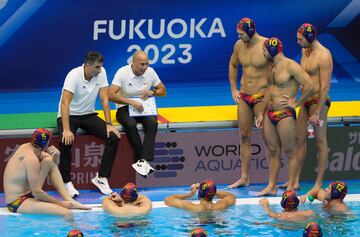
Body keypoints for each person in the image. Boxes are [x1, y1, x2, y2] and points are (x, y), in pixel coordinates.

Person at [57, 51, 121, 197]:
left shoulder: (101, 73)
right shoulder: (73, 75)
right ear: (87, 65)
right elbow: (65, 102)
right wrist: (66, 129)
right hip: (69, 114)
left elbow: (104, 98)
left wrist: (109, 123)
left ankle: (102, 177)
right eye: (97, 68)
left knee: (113, 137)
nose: (100, 70)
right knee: (66, 141)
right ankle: (66, 182)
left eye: (100, 67)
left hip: (88, 114)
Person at [255, 37, 313, 196]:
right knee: (273, 150)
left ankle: (290, 188)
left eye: (264, 50)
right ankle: (271, 186)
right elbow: (269, 90)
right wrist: (261, 112)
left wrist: (298, 103)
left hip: (285, 114)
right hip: (269, 113)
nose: (263, 53)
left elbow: (309, 85)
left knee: (290, 151)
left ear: (272, 50)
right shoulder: (271, 67)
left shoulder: (291, 66)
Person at [280, 23, 333, 193]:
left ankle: (318, 182)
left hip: (319, 103)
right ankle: (294, 181)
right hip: (305, 101)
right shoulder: (305, 51)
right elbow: (302, 77)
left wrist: (317, 112)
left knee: (320, 141)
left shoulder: (324, 56)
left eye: (300, 39)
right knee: (299, 139)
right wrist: (297, 97)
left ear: (310, 38)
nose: (298, 42)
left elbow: (324, 87)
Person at [3, 128, 90, 218]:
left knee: (48, 161)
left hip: (27, 193)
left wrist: (57, 155)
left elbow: (54, 163)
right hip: (18, 202)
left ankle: (70, 200)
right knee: (66, 213)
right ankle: (74, 230)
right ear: (46, 143)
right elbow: (37, 193)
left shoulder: (26, 146)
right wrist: (60, 203)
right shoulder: (32, 159)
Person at [227, 17, 272, 188]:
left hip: (262, 97)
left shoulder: (267, 45)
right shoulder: (239, 46)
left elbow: (277, 73)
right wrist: (233, 89)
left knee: (268, 138)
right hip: (244, 96)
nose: (239, 37)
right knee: (244, 137)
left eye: (242, 34)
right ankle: (244, 177)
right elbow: (233, 65)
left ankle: (272, 180)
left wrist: (268, 99)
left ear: (251, 32)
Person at [109, 50, 166, 177]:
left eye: (147, 64)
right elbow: (110, 94)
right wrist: (128, 101)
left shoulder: (150, 72)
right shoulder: (122, 72)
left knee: (152, 122)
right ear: (133, 63)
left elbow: (163, 90)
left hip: (144, 107)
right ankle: (141, 160)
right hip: (124, 107)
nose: (145, 67)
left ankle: (143, 160)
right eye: (142, 64)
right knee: (130, 124)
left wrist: (153, 92)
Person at [164, 179, 236, 211]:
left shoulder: (192, 207)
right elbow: (231, 196)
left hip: (197, 224)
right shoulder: (221, 206)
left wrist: (189, 195)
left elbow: (168, 200)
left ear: (200, 193)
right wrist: (212, 190)